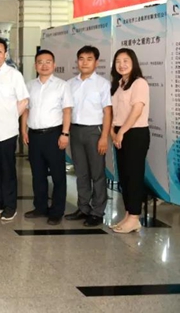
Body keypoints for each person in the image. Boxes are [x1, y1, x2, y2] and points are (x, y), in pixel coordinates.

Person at [21, 50, 73, 226]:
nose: (44, 65)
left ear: (54, 65)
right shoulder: (29, 85)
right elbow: (26, 110)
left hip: (54, 135)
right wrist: (24, 130)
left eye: (48, 62)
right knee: (38, 174)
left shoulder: (62, 85)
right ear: (35, 65)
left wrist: (65, 133)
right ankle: (40, 207)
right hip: (34, 135)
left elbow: (67, 111)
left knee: (58, 175)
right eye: (40, 62)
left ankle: (57, 211)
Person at [0, 37, 29, 221]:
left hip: (7, 131)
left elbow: (24, 100)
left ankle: (10, 205)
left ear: (5, 54)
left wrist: (10, 116)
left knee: (7, 170)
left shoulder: (14, 75)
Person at [65, 46, 112, 227]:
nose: (84, 62)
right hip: (76, 131)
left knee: (97, 173)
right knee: (81, 173)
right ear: (77, 61)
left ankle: (98, 212)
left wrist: (104, 137)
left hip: (95, 132)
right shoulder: (70, 84)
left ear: (96, 62)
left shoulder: (102, 84)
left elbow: (107, 112)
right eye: (81, 59)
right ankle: (83, 207)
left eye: (89, 59)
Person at [110, 48, 150, 234]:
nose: (122, 64)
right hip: (120, 132)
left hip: (135, 133)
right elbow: (114, 111)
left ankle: (135, 217)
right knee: (124, 176)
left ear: (133, 62)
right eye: (118, 61)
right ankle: (128, 214)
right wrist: (113, 131)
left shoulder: (139, 83)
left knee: (134, 176)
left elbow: (137, 111)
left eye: (125, 60)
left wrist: (121, 132)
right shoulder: (119, 84)